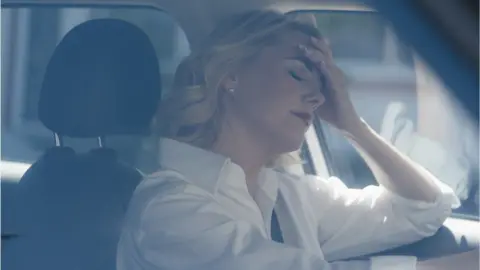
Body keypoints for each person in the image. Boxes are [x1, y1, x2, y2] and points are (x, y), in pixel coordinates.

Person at [117, 10, 478, 270]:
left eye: (323, 83)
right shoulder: (168, 210)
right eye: (299, 72)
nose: (318, 98)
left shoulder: (289, 196)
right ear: (231, 75)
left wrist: (351, 124)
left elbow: (424, 209)